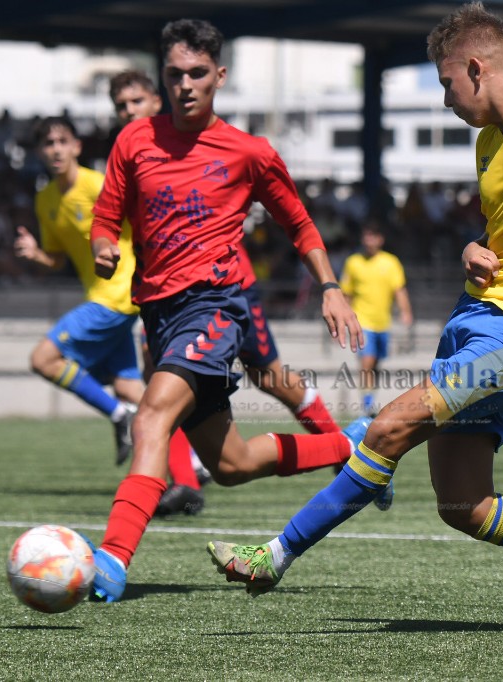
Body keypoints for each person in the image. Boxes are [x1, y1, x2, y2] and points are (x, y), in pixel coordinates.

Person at [206, 1, 503, 637]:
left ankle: (276, 555)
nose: (445, 99)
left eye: (446, 82)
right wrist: (472, 250)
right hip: (473, 320)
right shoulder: (489, 143)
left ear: (477, 68)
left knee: (389, 426)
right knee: (464, 505)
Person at [87, 18, 377, 603]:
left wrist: (329, 286)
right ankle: (350, 446)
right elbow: (105, 214)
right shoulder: (134, 141)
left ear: (219, 76)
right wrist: (103, 245)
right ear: (163, 77)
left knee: (150, 418)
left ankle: (112, 558)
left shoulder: (249, 152)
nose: (185, 85)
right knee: (232, 465)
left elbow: (300, 224)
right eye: (175, 74)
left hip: (215, 307)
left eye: (198, 73)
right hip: (159, 315)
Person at [106, 69, 345, 518]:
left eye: (136, 102)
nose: (128, 112)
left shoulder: (211, 145)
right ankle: (185, 481)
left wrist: (330, 286)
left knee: (268, 377)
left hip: (225, 295)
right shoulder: (134, 152)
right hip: (163, 300)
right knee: (167, 390)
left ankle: (340, 448)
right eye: (121, 106)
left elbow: (287, 219)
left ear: (158, 101)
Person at [14, 116, 142, 466]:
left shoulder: (98, 185)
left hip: (117, 295)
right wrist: (36, 254)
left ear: (77, 147)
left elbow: (141, 223)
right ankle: (194, 461)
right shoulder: (45, 200)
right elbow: (57, 259)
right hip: (101, 296)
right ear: (40, 152)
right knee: (130, 388)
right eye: (48, 144)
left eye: (62, 142)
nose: (56, 150)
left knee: (43, 359)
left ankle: (119, 415)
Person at [339, 219, 413, 416]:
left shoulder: (391, 262)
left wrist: (406, 312)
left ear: (380, 239)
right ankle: (367, 405)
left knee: (376, 364)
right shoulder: (353, 262)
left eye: (373, 236)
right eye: (366, 236)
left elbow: (399, 290)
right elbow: (346, 293)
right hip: (362, 321)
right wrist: (342, 317)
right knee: (367, 361)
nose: (369, 240)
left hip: (382, 323)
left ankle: (370, 397)